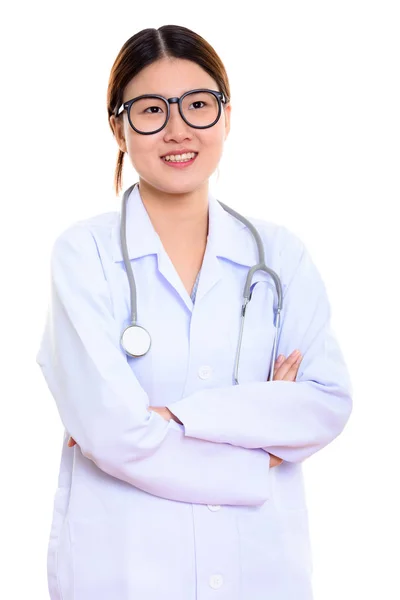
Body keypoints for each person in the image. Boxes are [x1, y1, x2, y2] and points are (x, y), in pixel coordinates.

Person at [36, 24, 353, 600]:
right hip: (124, 572)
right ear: (119, 126)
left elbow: (326, 404)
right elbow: (110, 431)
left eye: (199, 105)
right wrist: (259, 444)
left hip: (261, 573)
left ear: (226, 117)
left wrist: (169, 417)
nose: (178, 129)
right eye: (152, 109)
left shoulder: (280, 256)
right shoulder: (84, 256)